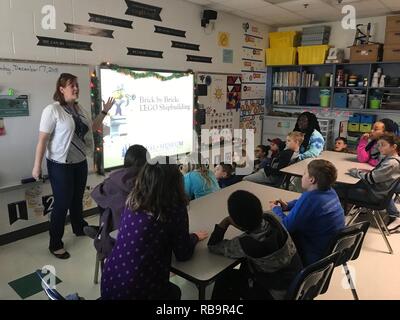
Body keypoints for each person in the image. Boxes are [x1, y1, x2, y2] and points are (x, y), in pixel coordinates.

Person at [32, 73, 115, 259]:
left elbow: (91, 128)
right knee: (61, 204)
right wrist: (37, 166)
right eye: (72, 85)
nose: (76, 88)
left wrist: (104, 112)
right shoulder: (52, 110)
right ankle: (55, 243)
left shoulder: (79, 109)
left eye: (77, 85)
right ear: (61, 89)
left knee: (77, 199)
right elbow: (42, 140)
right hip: (60, 165)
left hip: (79, 162)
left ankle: (79, 228)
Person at [101, 159, 208, 300]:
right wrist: (194, 237)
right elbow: (183, 254)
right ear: (176, 182)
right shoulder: (174, 209)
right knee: (175, 292)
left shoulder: (133, 201)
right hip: (138, 291)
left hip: (110, 282)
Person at [208, 190, 303, 300]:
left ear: (237, 221)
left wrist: (226, 221)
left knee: (223, 277)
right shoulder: (273, 218)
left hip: (275, 294)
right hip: (296, 281)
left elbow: (213, 246)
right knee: (245, 265)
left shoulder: (244, 244)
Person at [270, 159, 345, 266]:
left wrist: (275, 209)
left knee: (274, 238)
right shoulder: (330, 191)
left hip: (312, 255)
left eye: (305, 173)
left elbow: (286, 226)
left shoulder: (310, 198)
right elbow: (303, 203)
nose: (302, 175)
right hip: (330, 251)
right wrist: (288, 205)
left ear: (311, 180)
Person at [338, 133, 400, 231]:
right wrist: (372, 141)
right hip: (377, 190)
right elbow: (374, 155)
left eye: (383, 145)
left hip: (375, 195)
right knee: (344, 185)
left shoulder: (391, 163)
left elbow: (370, 178)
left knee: (338, 189)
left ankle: (339, 221)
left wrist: (355, 172)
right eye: (378, 145)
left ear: (394, 147)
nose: (379, 147)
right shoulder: (389, 158)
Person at [85, 144, 148, 238]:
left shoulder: (114, 179)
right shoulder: (151, 179)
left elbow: (96, 194)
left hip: (117, 229)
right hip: (143, 229)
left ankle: (102, 231)